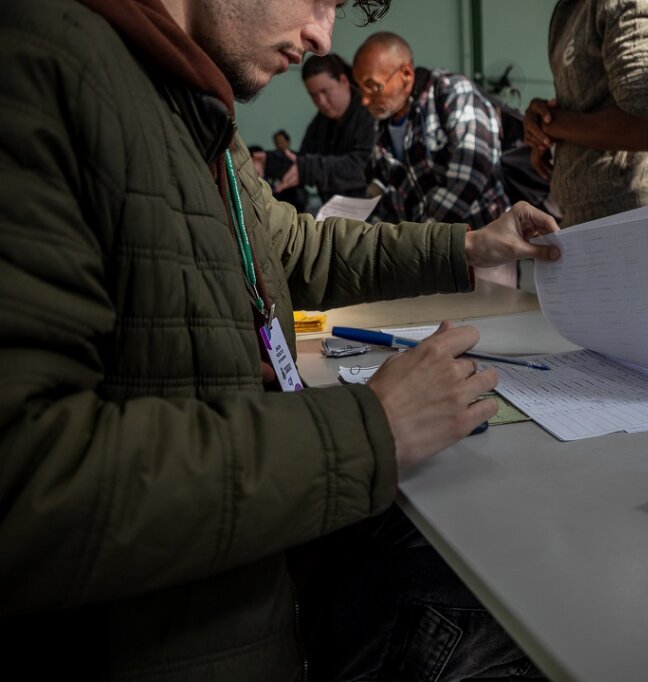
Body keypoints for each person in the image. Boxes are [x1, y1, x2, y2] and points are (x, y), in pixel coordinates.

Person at [0, 0, 563, 679]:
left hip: (263, 563)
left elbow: (292, 246)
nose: (321, 36)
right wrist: (373, 429)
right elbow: (30, 486)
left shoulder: (188, 99)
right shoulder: (42, 64)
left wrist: (466, 245)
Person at [522, 0, 648, 228]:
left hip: (628, 220)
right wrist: (542, 119)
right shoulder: (573, 8)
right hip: (591, 218)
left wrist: (551, 125)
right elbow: (591, 102)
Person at [352, 32, 510, 229]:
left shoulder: (452, 91)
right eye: (361, 89)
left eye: (373, 87)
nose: (365, 100)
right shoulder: (381, 127)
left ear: (406, 74)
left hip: (484, 236)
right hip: (425, 244)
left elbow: (470, 172)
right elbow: (385, 197)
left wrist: (423, 237)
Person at [271, 54, 376, 204]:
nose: (321, 102)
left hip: (370, 209)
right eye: (313, 95)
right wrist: (270, 162)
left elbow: (361, 167)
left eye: (325, 92)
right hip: (332, 210)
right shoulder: (319, 122)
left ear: (344, 81)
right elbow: (303, 159)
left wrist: (308, 168)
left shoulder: (370, 113)